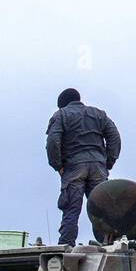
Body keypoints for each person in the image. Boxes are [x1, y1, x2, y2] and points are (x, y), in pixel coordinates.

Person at [45, 89, 121, 247]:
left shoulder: (61, 115)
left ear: (62, 106)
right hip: (98, 168)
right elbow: (115, 137)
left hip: (74, 168)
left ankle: (66, 246)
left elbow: (53, 141)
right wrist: (108, 162)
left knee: (71, 209)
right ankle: (109, 246)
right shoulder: (99, 114)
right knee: (101, 210)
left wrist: (58, 166)